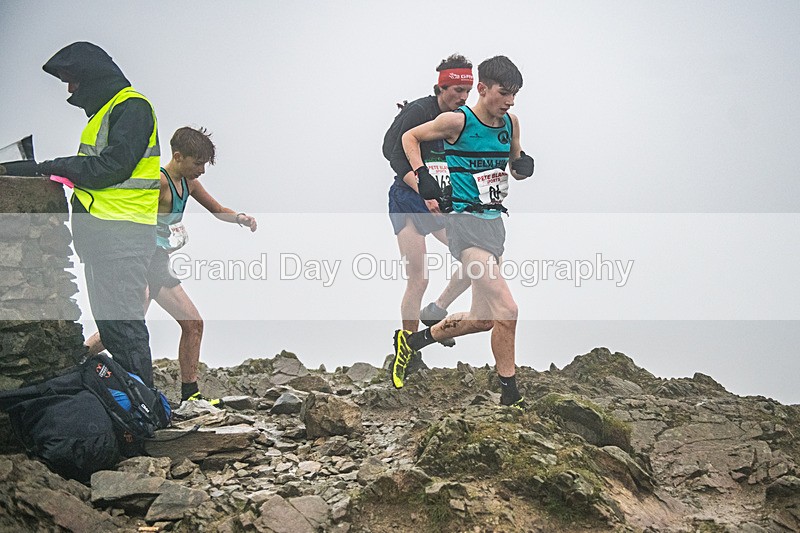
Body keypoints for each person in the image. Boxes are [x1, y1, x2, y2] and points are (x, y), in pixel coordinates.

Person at [1, 42, 162, 386]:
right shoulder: (106, 113)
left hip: (123, 233)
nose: (71, 90)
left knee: (124, 327)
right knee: (112, 328)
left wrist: (54, 166)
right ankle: (137, 410)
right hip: (105, 236)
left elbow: (112, 167)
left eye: (72, 82)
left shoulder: (132, 107)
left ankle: (147, 413)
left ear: (92, 77)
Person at [395, 55, 535, 407]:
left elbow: (513, 166)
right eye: (504, 93)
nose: (510, 101)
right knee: (508, 309)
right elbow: (409, 137)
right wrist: (422, 174)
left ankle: (413, 342)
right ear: (483, 89)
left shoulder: (511, 123)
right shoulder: (457, 121)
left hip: (494, 225)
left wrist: (522, 166)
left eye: (515, 95)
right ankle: (510, 394)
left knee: (483, 319)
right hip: (464, 226)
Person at [85, 126, 257, 405]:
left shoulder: (189, 184)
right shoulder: (158, 182)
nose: (201, 170)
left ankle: (191, 395)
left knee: (193, 323)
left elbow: (217, 209)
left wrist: (240, 217)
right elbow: (128, 217)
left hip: (158, 263)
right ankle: (74, 359)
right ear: (178, 156)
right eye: (197, 163)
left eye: (204, 164)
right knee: (123, 329)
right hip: (140, 264)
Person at [385, 54, 474, 386]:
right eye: (455, 91)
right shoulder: (419, 111)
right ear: (441, 87)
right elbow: (390, 151)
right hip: (408, 198)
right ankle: (409, 350)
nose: (462, 98)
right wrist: (422, 187)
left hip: (442, 198)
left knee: (475, 259)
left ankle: (436, 312)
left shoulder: (463, 118)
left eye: (467, 92)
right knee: (418, 278)